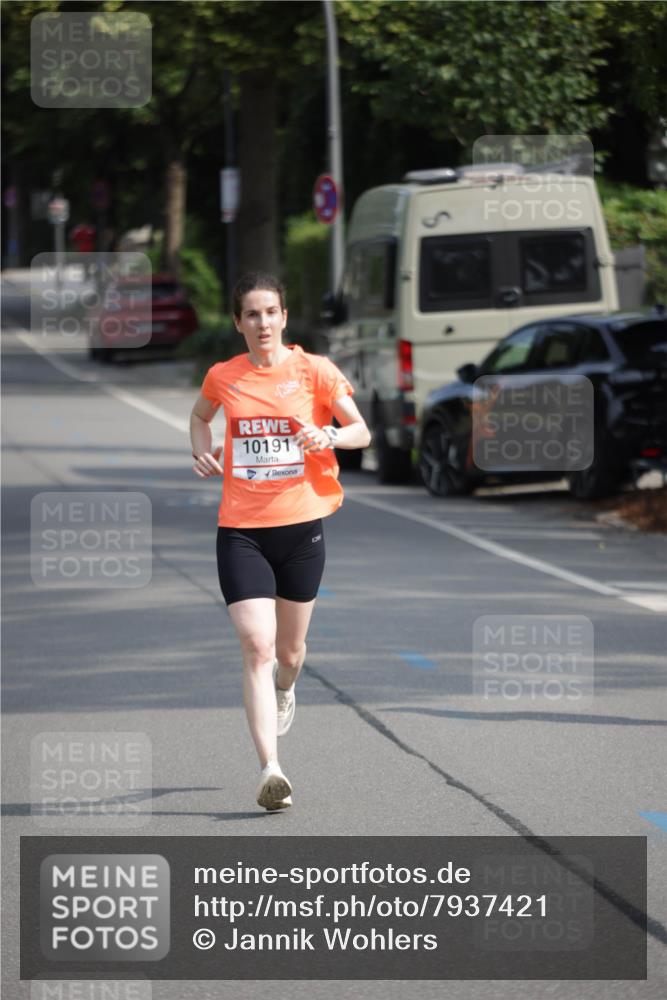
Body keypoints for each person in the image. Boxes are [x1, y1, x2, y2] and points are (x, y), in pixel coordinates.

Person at [189, 272, 370, 811]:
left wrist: (330, 435)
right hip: (241, 530)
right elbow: (200, 417)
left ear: (284, 318)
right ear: (239, 322)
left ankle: (288, 687)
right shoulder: (224, 376)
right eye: (251, 314)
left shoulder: (314, 370)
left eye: (271, 312)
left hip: (300, 529)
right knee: (257, 647)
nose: (262, 322)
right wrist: (200, 448)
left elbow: (361, 430)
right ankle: (271, 769)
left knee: (288, 654)